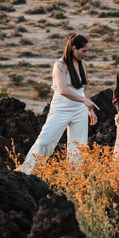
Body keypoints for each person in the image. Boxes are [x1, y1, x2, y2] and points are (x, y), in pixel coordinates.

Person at [20, 34, 99, 172]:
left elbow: (85, 88)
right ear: (74, 48)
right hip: (61, 108)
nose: (86, 54)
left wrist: (89, 109)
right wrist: (84, 100)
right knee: (45, 141)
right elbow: (63, 90)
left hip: (80, 109)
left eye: (87, 50)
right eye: (84, 51)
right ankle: (26, 172)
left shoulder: (83, 66)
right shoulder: (60, 65)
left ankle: (75, 177)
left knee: (78, 147)